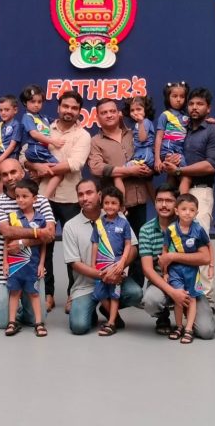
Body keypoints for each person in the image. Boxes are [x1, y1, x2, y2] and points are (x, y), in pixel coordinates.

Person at [24, 90, 91, 312]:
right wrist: (35, 166)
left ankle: (74, 294)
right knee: (44, 247)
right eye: (66, 106)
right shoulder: (43, 127)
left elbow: (75, 164)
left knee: (74, 250)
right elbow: (24, 156)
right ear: (58, 107)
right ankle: (48, 293)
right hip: (43, 197)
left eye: (74, 108)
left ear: (79, 111)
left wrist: (44, 170)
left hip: (71, 198)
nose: (69, 111)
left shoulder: (83, 135)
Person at [160, 87, 215, 304]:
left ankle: (204, 298)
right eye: (192, 103)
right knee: (175, 240)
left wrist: (179, 170)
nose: (195, 107)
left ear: (208, 108)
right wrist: (169, 162)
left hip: (200, 191)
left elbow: (211, 165)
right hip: (176, 190)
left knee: (199, 240)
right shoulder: (180, 126)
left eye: (200, 104)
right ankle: (178, 292)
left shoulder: (212, 130)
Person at [88, 98, 152, 290]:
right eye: (104, 112)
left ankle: (136, 289)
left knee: (139, 246)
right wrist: (127, 171)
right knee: (112, 246)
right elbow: (96, 168)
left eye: (112, 111)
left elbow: (148, 152)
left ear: (119, 113)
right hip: (113, 206)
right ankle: (111, 287)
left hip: (138, 199)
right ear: (97, 117)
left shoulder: (134, 133)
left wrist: (147, 168)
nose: (109, 115)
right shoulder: (95, 141)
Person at [140, 184, 215, 339]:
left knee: (206, 331)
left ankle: (188, 318)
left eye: (169, 200)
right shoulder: (146, 230)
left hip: (190, 280)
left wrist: (173, 256)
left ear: (176, 205)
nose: (163, 205)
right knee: (151, 301)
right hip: (163, 281)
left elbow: (205, 257)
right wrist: (173, 292)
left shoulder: (193, 226)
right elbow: (147, 269)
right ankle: (163, 317)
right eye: (159, 200)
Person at [64, 180, 142, 336]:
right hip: (85, 285)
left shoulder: (118, 216)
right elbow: (75, 264)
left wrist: (117, 269)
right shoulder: (70, 226)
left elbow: (133, 248)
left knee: (136, 294)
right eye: (80, 194)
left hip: (116, 277)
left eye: (89, 193)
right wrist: (103, 275)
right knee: (79, 326)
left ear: (99, 195)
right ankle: (91, 309)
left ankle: (107, 310)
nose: (85, 198)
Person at [0, 159, 55, 329]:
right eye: (4, 174)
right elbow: (7, 232)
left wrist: (23, 242)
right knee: (2, 323)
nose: (10, 177)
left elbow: (50, 234)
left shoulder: (41, 201)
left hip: (31, 267)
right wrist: (38, 233)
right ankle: (0, 295)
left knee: (36, 320)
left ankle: (22, 301)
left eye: (13, 172)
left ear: (22, 172)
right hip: (5, 271)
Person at [3, 178, 50, 338]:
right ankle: (12, 322)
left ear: (34, 199)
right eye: (17, 196)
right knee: (14, 292)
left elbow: (43, 243)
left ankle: (38, 322)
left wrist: (41, 264)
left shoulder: (41, 219)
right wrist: (5, 263)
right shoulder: (12, 217)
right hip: (15, 265)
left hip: (33, 265)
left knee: (34, 294)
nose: (20, 200)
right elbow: (7, 241)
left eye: (24, 196)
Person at [162, 193, 211, 344]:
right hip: (175, 271)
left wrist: (211, 267)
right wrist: (165, 272)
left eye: (192, 210)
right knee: (179, 297)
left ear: (196, 212)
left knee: (192, 298)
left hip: (193, 271)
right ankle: (179, 326)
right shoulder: (171, 230)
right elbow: (165, 251)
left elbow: (209, 247)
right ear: (176, 211)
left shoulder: (198, 230)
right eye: (184, 209)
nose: (187, 213)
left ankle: (188, 329)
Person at [19, 84, 62, 200]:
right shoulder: (27, 117)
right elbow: (34, 134)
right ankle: (45, 198)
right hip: (36, 149)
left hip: (41, 150)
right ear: (25, 103)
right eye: (32, 101)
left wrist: (75, 122)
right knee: (60, 170)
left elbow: (58, 122)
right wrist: (53, 142)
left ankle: (37, 180)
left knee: (37, 179)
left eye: (39, 102)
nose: (36, 105)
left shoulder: (43, 117)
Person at [154, 81, 189, 190]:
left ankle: (172, 195)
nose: (178, 99)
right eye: (174, 96)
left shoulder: (186, 116)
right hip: (168, 148)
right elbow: (159, 137)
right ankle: (183, 197)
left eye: (182, 96)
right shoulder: (165, 115)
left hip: (180, 149)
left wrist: (207, 120)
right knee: (186, 172)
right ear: (168, 98)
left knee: (174, 175)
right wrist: (157, 159)